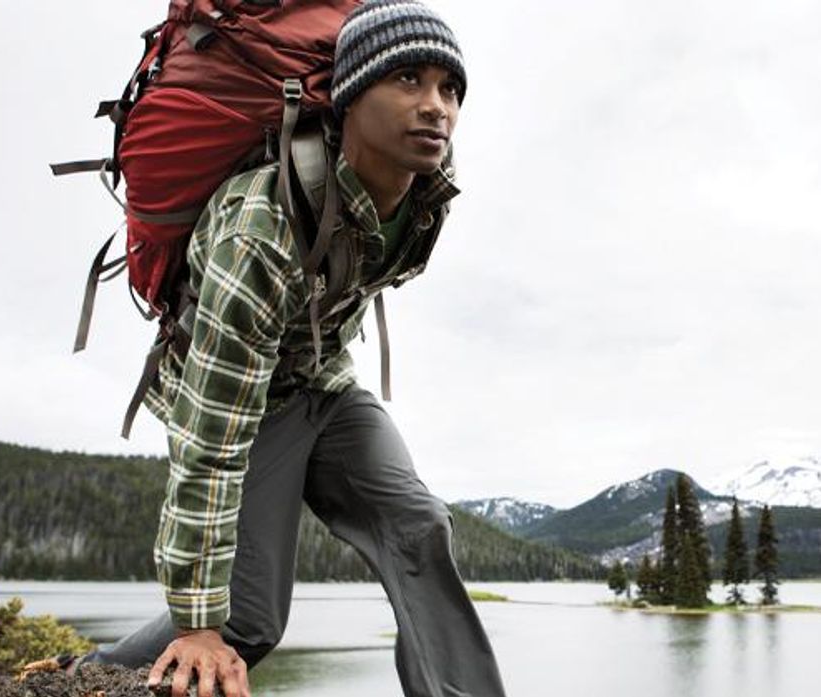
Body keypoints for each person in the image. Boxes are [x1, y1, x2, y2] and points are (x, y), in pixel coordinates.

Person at [65, 3, 509, 697]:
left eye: (450, 89)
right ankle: (84, 682)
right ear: (350, 94)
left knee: (417, 527)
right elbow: (213, 440)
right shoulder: (259, 231)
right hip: (239, 397)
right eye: (408, 80)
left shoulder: (426, 196)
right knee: (241, 620)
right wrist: (197, 620)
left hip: (322, 380)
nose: (435, 108)